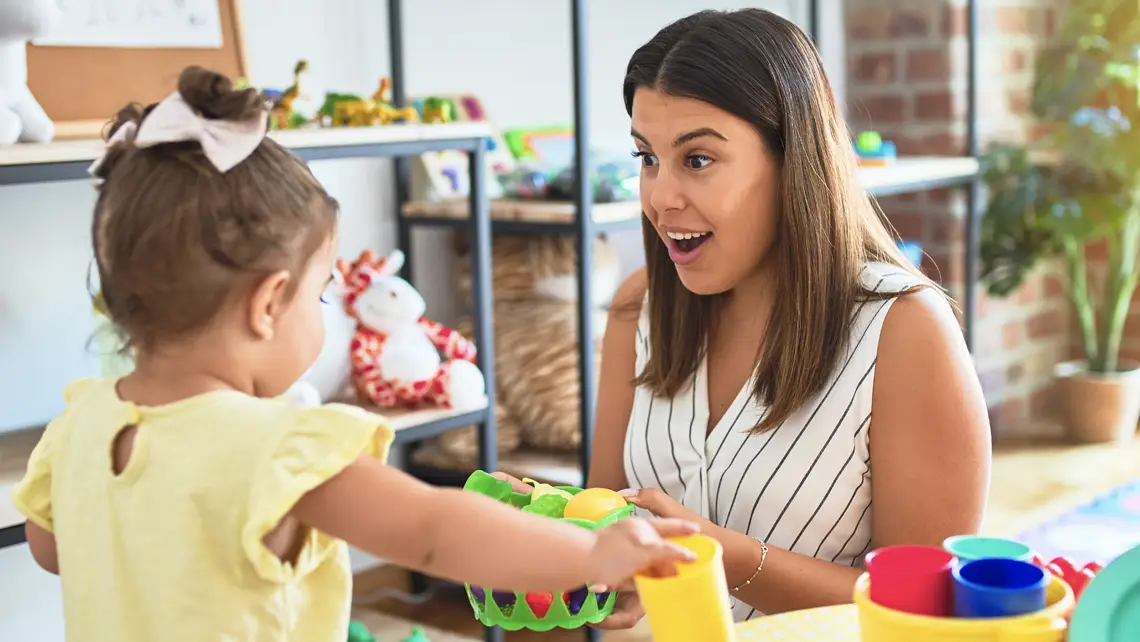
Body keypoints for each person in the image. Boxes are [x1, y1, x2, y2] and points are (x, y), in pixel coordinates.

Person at [10, 66, 701, 642]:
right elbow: (435, 529)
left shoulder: (79, 426)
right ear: (267, 303)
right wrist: (590, 552)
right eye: (319, 298)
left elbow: (53, 551)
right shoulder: (277, 448)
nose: (322, 318)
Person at [495, 8, 991, 626]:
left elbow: (926, 610)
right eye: (647, 157)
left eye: (697, 159)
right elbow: (609, 511)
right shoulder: (638, 308)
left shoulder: (905, 329)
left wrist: (719, 556)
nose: (659, 196)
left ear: (793, 164)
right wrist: (550, 525)